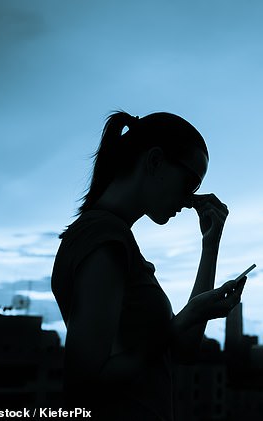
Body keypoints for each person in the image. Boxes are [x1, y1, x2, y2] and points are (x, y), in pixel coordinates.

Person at [51, 111, 246, 420]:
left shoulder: (116, 240)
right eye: (189, 184)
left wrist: (210, 247)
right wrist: (182, 321)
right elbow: (83, 384)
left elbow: (183, 348)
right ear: (155, 162)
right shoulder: (104, 240)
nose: (188, 201)